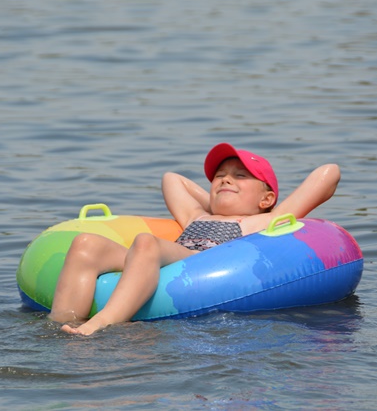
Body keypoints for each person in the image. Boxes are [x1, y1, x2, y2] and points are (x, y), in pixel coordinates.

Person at [49, 143, 340, 335]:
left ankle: (102, 322)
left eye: (240, 176)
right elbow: (171, 178)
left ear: (267, 199)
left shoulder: (262, 220)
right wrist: (216, 203)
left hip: (199, 264)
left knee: (146, 241)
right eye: (219, 176)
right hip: (162, 259)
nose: (225, 179)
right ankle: (61, 323)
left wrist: (243, 203)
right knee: (87, 243)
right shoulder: (196, 216)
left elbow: (329, 174)